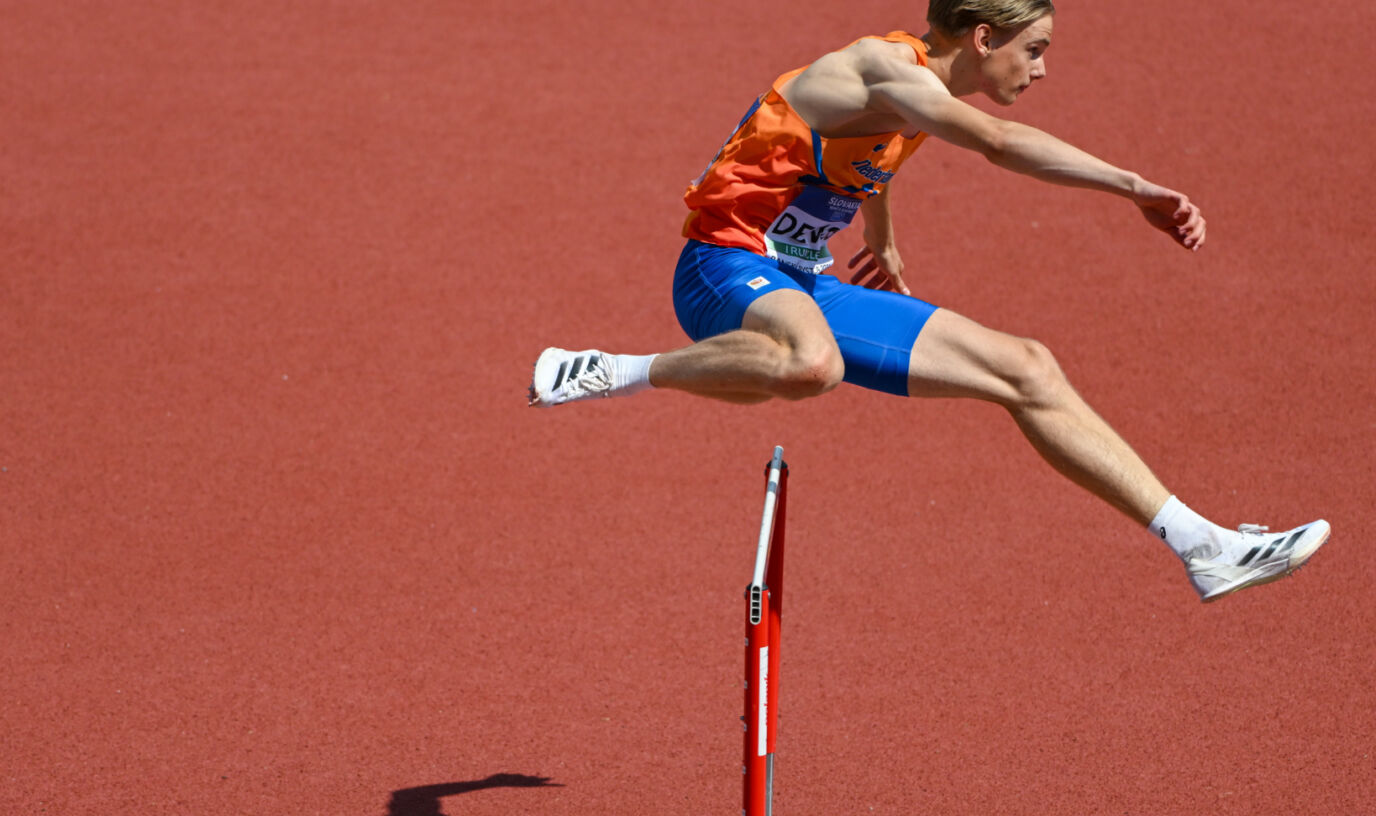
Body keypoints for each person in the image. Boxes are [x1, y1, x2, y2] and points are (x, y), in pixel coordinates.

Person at [527, 0, 1328, 602]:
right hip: (720, 267)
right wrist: (1133, 187)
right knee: (813, 363)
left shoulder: (903, 95)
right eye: (1035, 49)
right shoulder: (881, 68)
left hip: (800, 281)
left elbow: (867, 159)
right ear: (982, 37)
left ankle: (1202, 545)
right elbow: (998, 143)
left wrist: (884, 238)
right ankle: (618, 368)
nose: (1042, 69)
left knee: (1028, 367)